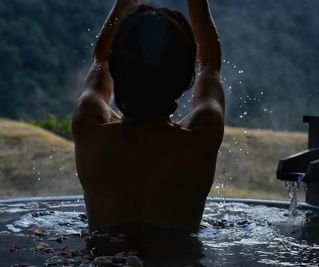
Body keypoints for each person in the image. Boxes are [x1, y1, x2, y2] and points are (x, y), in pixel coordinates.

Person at [72, 0, 224, 236]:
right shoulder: (202, 136)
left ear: (118, 71)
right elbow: (209, 64)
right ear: (183, 78)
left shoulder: (89, 127)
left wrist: (124, 4)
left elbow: (101, 58)